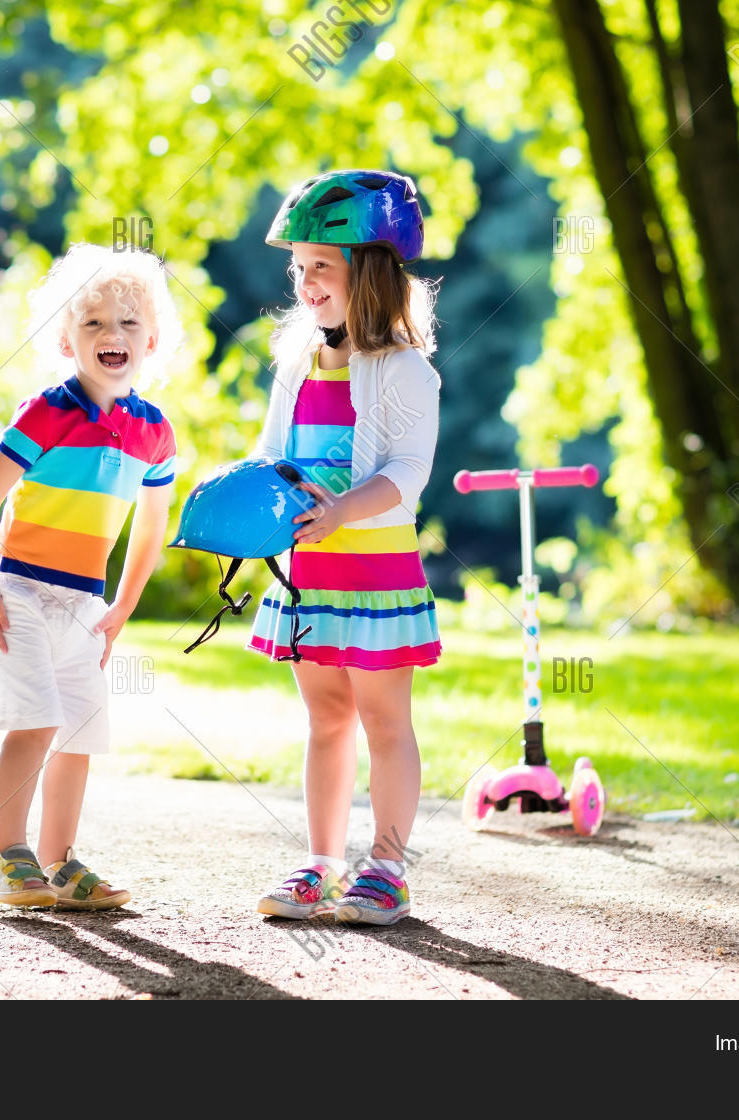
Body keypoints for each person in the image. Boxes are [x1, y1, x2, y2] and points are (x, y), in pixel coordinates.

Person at [248, 169, 441, 926]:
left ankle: (386, 868)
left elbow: (407, 471)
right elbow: (273, 454)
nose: (304, 282)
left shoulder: (403, 370)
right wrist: (249, 505)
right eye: (298, 268)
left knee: (385, 721)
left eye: (321, 266)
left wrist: (339, 513)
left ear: (372, 270)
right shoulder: (296, 362)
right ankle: (322, 863)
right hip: (310, 577)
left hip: (376, 576)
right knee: (325, 719)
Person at [0, 244, 179, 910]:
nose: (111, 335)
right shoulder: (46, 412)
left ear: (152, 339)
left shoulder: (154, 432)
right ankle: (7, 858)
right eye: (93, 324)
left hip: (85, 602)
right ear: (66, 338)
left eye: (127, 323)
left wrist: (123, 606)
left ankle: (59, 863)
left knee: (80, 731)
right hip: (18, 591)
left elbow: (150, 529)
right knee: (33, 722)